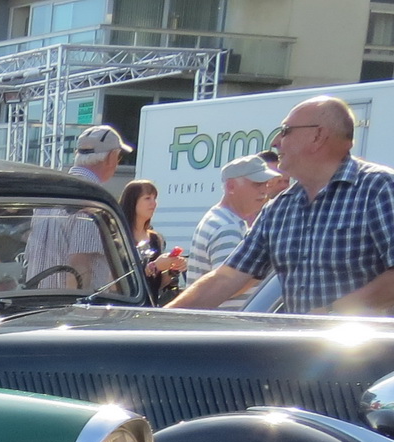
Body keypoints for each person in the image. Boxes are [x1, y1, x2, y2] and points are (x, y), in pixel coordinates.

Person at [172, 96, 394, 315]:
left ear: (318, 136)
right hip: (299, 339)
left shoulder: (379, 188)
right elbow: (226, 278)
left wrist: (332, 313)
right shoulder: (280, 208)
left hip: (370, 340)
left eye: (286, 131)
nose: (275, 141)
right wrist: (160, 320)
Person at [23, 124, 127, 292]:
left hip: (36, 299)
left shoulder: (49, 192)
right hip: (67, 304)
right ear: (111, 157)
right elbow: (79, 266)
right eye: (119, 156)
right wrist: (76, 306)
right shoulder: (93, 199)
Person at [182, 153, 282, 310]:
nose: (264, 190)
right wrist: (268, 267)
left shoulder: (220, 219)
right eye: (257, 184)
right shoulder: (227, 227)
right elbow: (225, 286)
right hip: (222, 322)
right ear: (231, 187)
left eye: (266, 183)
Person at [119, 179, 186, 303]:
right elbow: (117, 283)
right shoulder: (118, 237)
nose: (153, 203)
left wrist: (172, 267)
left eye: (155, 198)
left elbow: (158, 285)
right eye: (147, 198)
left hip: (150, 308)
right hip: (124, 307)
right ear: (132, 201)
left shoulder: (156, 239)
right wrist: (154, 266)